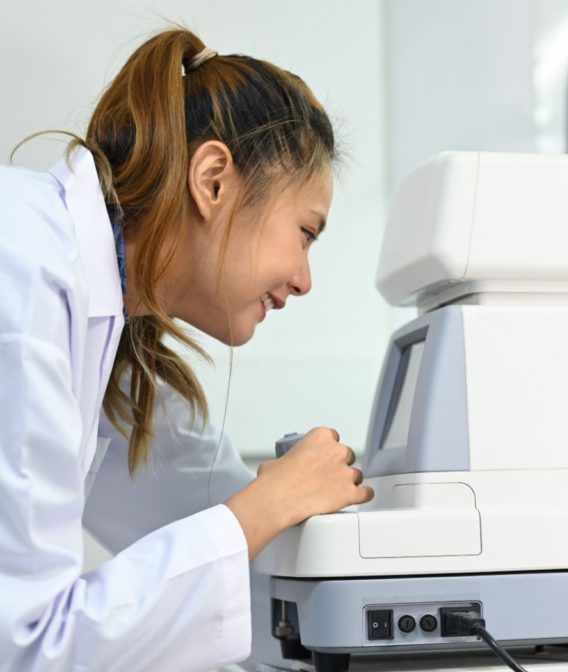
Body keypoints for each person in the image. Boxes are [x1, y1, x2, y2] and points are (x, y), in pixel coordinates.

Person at [0, 29, 373, 671]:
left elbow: (195, 506)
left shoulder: (107, 330)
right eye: (306, 232)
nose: (305, 280)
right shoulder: (27, 274)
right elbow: (29, 644)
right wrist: (267, 504)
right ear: (213, 181)